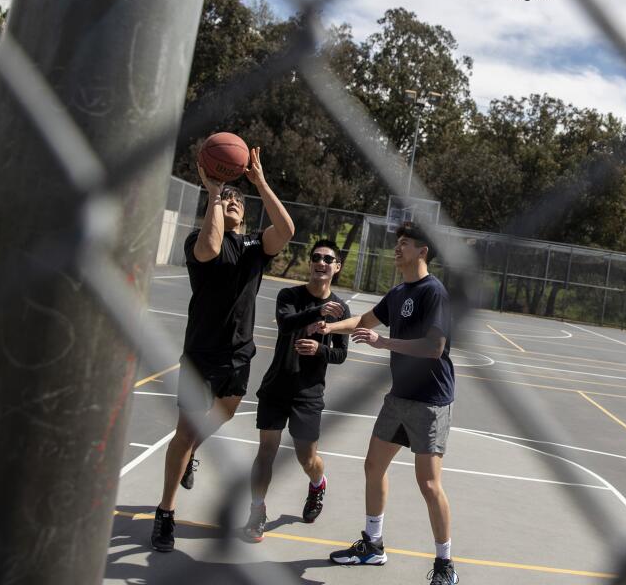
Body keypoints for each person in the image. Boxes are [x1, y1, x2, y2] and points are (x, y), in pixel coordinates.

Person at [151, 147, 295, 553]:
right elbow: (210, 249)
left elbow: (286, 230)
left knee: (227, 411)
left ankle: (193, 448)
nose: (231, 202)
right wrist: (214, 191)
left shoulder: (254, 247)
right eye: (225, 200)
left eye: (236, 201)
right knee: (184, 430)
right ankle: (165, 513)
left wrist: (259, 182)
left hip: (238, 354)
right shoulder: (200, 239)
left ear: (245, 215)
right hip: (201, 353)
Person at [319, 222, 459, 585]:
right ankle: (373, 544)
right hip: (399, 398)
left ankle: (445, 564)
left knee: (428, 485)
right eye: (397, 243)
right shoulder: (398, 293)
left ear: (423, 251)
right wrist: (329, 328)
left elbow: (434, 348)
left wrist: (384, 344)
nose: (397, 248)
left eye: (405, 243)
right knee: (373, 467)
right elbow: (364, 321)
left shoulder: (434, 292)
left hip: (430, 401)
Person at [240, 238, 350, 542]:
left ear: (337, 267)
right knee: (266, 452)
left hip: (308, 393)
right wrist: (317, 314)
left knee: (306, 458)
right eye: (317, 257)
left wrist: (319, 350)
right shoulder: (289, 295)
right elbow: (286, 324)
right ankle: (257, 509)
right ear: (310, 263)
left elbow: (340, 355)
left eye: (329, 259)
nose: (321, 263)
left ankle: (318, 484)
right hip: (276, 387)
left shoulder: (341, 310)